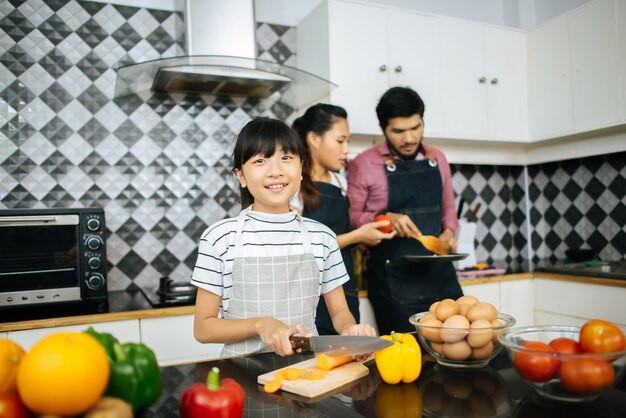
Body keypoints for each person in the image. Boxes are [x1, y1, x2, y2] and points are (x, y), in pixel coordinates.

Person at [191, 117, 376, 357]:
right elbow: (203, 328)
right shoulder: (219, 239)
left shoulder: (323, 238)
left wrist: (350, 329)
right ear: (242, 177)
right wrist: (260, 324)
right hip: (240, 375)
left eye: (286, 158)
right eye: (260, 161)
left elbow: (340, 311)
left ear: (301, 169)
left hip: (307, 372)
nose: (275, 171)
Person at [347, 87, 462, 335]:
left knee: (460, 346)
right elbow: (351, 218)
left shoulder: (438, 158)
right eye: (399, 131)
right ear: (383, 128)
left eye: (416, 127)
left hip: (441, 275)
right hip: (393, 281)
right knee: (409, 360)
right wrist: (384, 219)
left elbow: (449, 210)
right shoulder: (363, 164)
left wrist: (449, 233)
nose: (409, 138)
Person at [291, 104, 395, 335]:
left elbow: (340, 234)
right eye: (340, 141)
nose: (346, 149)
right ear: (314, 139)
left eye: (348, 141)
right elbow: (303, 245)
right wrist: (358, 235)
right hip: (310, 291)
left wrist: (366, 235)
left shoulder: (341, 182)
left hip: (343, 287)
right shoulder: (293, 184)